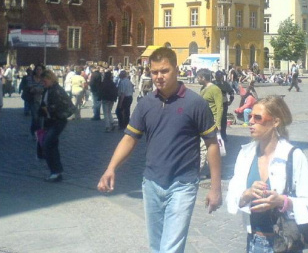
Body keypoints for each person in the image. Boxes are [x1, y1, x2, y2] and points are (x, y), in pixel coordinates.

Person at [97, 47, 221, 253]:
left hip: (183, 184)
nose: (159, 77)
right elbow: (129, 138)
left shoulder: (195, 103)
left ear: (176, 69)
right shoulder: (146, 103)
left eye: (164, 71)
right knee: (156, 247)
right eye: (154, 72)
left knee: (169, 249)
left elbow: (212, 144)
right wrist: (111, 168)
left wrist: (216, 187)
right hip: (152, 183)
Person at [226, 96, 308, 253]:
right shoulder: (246, 154)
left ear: (276, 121)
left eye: (258, 117)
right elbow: (232, 196)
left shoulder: (293, 156)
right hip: (254, 241)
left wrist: (282, 201)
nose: (250, 122)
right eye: (250, 116)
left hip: (285, 244)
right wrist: (246, 194)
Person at [39, 70, 74, 182]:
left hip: (58, 121)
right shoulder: (48, 90)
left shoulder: (56, 90)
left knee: (47, 144)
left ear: (50, 79)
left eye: (44, 81)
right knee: (52, 145)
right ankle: (57, 171)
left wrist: (48, 109)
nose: (43, 83)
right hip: (50, 121)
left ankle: (55, 171)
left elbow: (63, 106)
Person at [197, 69, 224, 169]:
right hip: (202, 122)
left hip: (211, 123)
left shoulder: (215, 89)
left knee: (205, 147)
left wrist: (218, 123)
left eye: (198, 77)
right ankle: (210, 168)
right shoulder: (203, 88)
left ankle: (200, 170)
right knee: (204, 147)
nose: (197, 79)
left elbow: (219, 106)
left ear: (203, 78)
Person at [214, 71, 235, 142]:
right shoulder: (212, 83)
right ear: (215, 76)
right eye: (217, 76)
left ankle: (223, 135)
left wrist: (231, 100)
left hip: (223, 102)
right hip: (214, 103)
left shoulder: (225, 84)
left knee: (223, 119)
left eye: (220, 76)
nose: (219, 77)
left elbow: (231, 92)